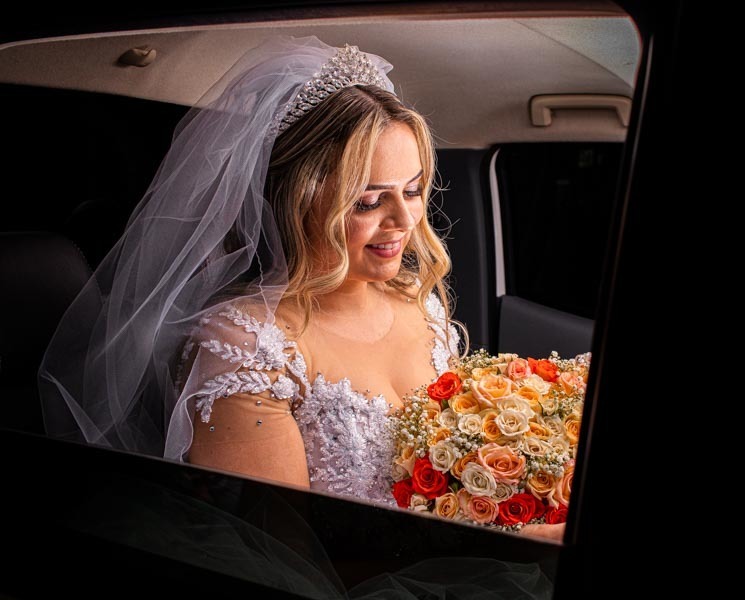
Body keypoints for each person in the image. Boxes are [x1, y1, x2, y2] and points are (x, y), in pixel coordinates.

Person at [38, 35, 563, 541]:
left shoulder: (419, 305)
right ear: (299, 198)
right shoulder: (244, 349)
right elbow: (287, 559)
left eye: (413, 190)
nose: (404, 219)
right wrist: (506, 546)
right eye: (368, 201)